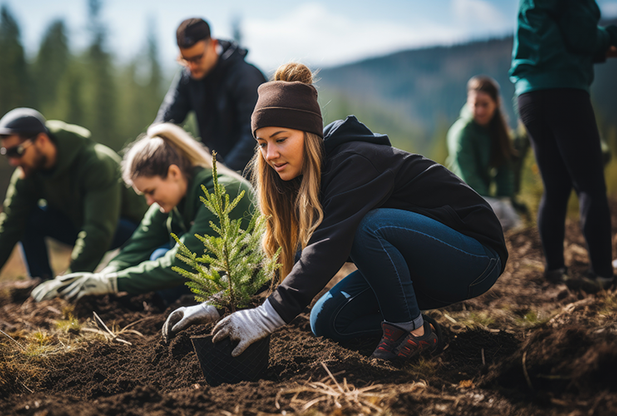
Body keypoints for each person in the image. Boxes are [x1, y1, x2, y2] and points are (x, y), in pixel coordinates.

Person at [163, 63, 508, 364]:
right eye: (263, 143)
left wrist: (266, 318)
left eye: (280, 139)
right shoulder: (298, 179)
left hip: (474, 256)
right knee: (326, 320)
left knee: (367, 227)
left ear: (309, 135)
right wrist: (219, 303)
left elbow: (325, 247)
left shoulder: (355, 162)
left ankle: (409, 330)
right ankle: (423, 331)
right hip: (420, 266)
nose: (270, 154)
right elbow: (284, 253)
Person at [29, 123, 255, 304]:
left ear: (173, 173)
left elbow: (184, 260)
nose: (149, 201)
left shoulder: (221, 190)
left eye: (151, 191)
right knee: (155, 255)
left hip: (250, 282)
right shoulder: (171, 202)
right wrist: (102, 277)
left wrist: (113, 284)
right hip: (220, 279)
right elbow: (137, 246)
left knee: (159, 257)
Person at [0, 108, 147, 306]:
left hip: (127, 233)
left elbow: (99, 230)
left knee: (101, 235)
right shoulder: (26, 173)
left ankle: (64, 287)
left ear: (41, 140)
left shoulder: (97, 163)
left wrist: (66, 281)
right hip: (82, 226)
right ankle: (41, 286)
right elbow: (9, 225)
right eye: (6, 153)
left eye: (17, 151)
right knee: (27, 217)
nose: (13, 161)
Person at [510, 0, 617, 292]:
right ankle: (602, 275)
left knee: (555, 187)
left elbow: (557, 41)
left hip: (529, 96)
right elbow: (581, 36)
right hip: (565, 93)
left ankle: (555, 269)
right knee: (590, 186)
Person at [154, 17, 266, 172]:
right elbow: (166, 121)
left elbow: (254, 134)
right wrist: (152, 145)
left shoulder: (245, 76)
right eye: (185, 60)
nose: (191, 66)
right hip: (216, 170)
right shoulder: (188, 77)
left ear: (213, 44)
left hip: (252, 176)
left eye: (197, 58)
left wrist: (223, 175)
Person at [446, 75, 522, 231]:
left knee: (513, 221)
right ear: (468, 103)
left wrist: (505, 199)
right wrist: (492, 203)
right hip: (463, 196)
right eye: (475, 104)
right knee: (496, 214)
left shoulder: (499, 131)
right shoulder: (461, 133)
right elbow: (468, 177)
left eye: (485, 104)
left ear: (496, 103)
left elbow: (505, 169)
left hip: (485, 197)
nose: (480, 110)